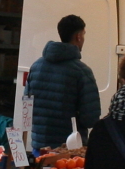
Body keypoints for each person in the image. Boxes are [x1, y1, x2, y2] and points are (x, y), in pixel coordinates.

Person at [26, 14, 101, 152]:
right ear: (78, 36)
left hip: (40, 146)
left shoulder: (36, 67)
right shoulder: (82, 72)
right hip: (69, 150)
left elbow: (27, 106)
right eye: (84, 34)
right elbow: (90, 119)